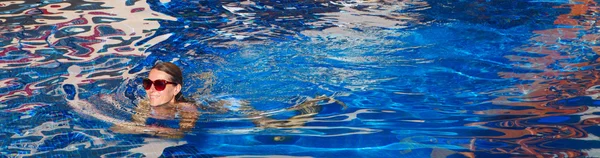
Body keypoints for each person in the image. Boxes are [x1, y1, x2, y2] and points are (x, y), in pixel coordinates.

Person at [110, 62, 199, 138]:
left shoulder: (188, 109)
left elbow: (181, 134)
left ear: (176, 89)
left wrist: (150, 129)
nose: (151, 90)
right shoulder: (144, 104)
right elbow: (126, 127)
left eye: (159, 84)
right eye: (148, 83)